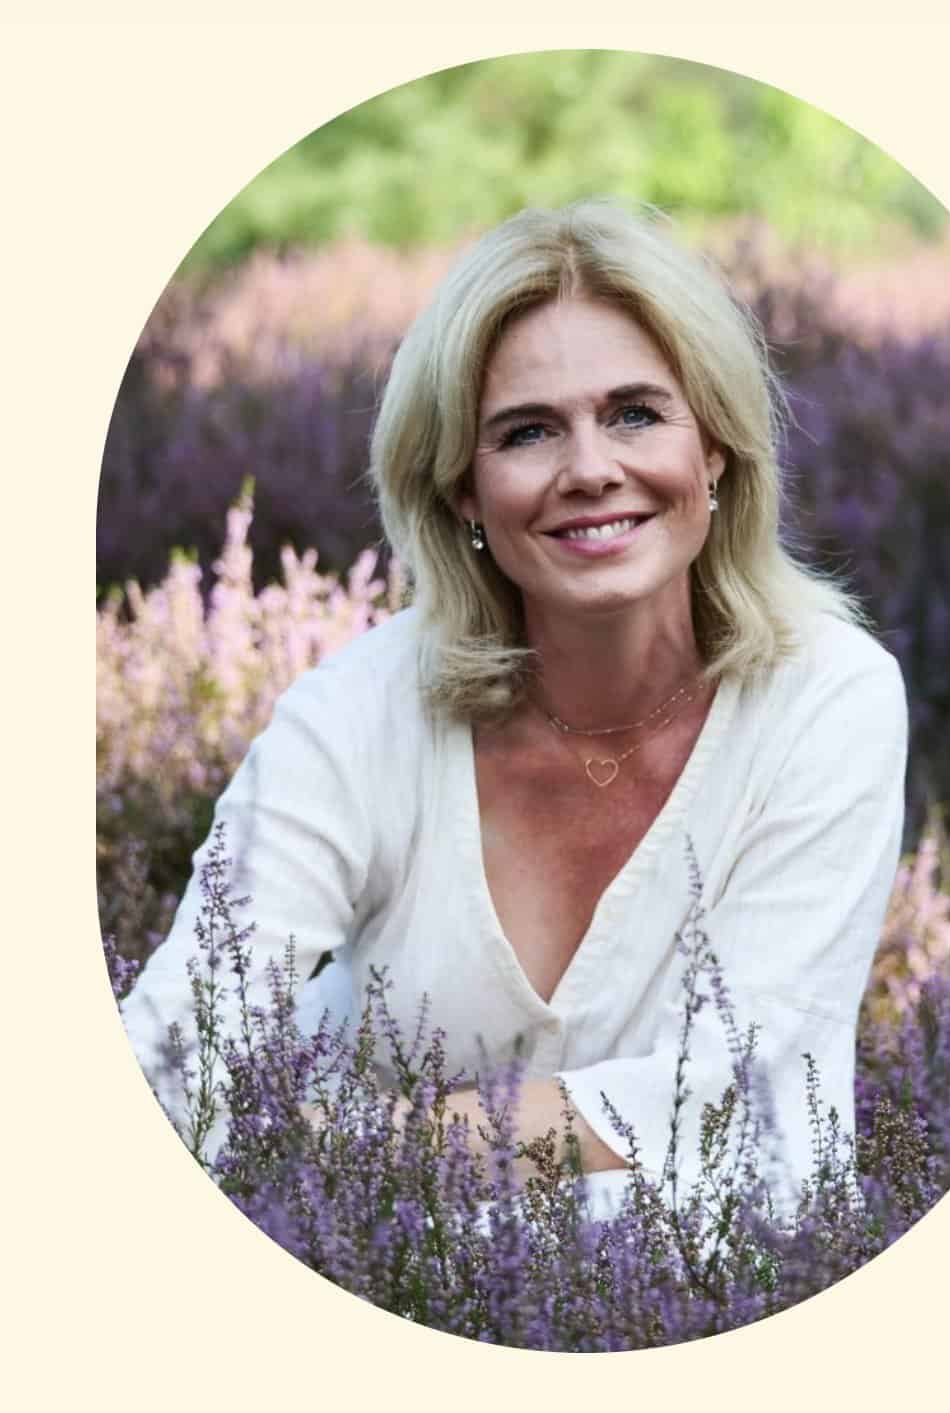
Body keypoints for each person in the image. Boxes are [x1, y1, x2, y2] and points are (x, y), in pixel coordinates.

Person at [120, 199, 907, 1216]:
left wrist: (361, 1139)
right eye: (527, 432)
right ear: (462, 491)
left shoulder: (829, 699)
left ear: (714, 446)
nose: (591, 470)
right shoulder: (355, 716)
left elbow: (736, 1095)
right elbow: (175, 1050)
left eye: (635, 413)